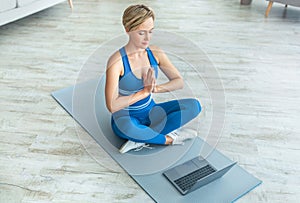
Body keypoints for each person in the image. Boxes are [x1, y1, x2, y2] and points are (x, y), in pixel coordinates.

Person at [105, 4, 201, 153]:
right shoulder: (116, 61)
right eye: (141, 33)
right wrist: (144, 92)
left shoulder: (155, 52)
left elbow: (178, 81)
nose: (147, 38)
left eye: (150, 32)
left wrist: (155, 89)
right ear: (128, 30)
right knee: (129, 128)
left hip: (151, 111)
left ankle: (140, 138)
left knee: (194, 106)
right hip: (126, 118)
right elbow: (112, 106)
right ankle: (169, 139)